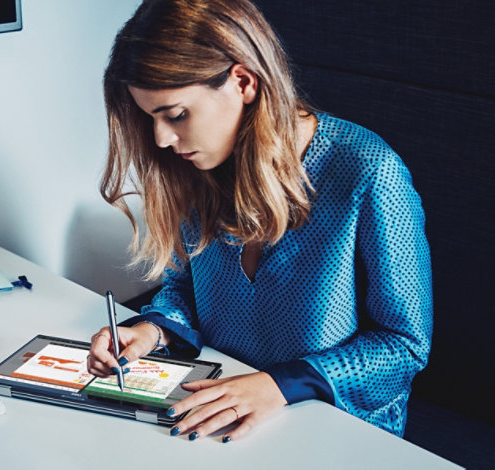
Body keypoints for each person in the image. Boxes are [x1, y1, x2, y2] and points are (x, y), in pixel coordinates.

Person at [87, 0, 432, 443]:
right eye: (150, 118)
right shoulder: (200, 170)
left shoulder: (369, 171)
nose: (162, 138)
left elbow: (403, 345)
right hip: (219, 415)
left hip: (337, 434)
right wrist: (150, 330)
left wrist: (279, 385)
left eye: (175, 115)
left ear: (243, 81)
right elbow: (186, 288)